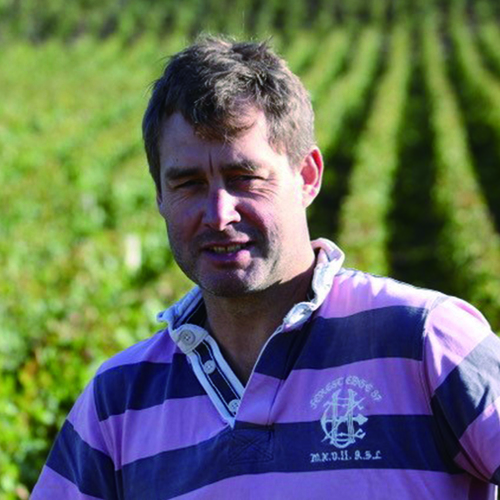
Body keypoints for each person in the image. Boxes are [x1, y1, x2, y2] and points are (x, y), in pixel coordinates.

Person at [32, 36, 500, 500]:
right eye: (188, 184)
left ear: (308, 176)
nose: (219, 214)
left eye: (245, 178)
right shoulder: (116, 403)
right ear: (159, 196)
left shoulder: (426, 341)